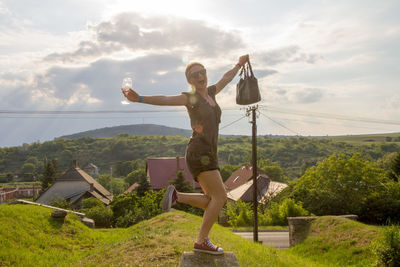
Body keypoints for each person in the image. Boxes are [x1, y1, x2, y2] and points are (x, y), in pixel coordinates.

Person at [122, 54, 249, 255]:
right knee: (221, 196)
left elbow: (226, 78)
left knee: (212, 199)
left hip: (208, 153)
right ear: (189, 80)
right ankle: (201, 241)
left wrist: (239, 64)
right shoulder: (191, 98)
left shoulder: (211, 93)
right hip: (199, 152)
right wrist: (139, 98)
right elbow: (165, 99)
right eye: (194, 74)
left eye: (203, 72)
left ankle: (176, 196)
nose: (200, 76)